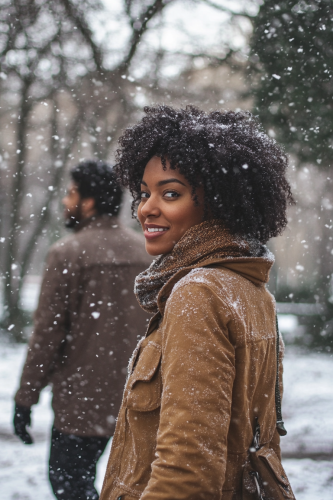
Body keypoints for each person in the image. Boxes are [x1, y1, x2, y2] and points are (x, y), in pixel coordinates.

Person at [100, 106, 296, 500]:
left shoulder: (199, 292)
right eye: (143, 192)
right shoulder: (249, 287)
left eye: (170, 193)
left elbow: (187, 472)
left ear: (219, 202)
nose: (145, 208)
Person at [13, 160, 151, 500]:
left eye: (71, 194)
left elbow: (47, 335)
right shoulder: (146, 252)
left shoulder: (67, 254)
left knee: (70, 486)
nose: (65, 201)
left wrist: (25, 398)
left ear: (88, 202)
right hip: (138, 398)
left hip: (82, 406)